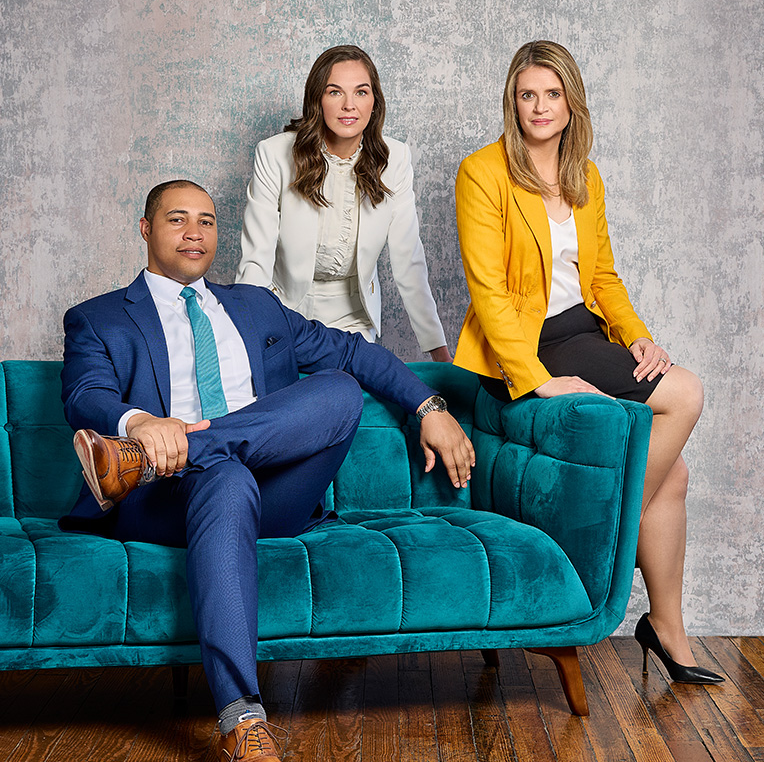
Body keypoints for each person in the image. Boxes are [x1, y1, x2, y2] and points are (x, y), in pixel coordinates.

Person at [61, 179, 475, 762]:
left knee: (337, 390)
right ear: (146, 230)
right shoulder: (100, 318)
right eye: (177, 219)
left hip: (268, 491)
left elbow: (353, 354)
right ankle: (242, 717)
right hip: (165, 501)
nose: (194, 232)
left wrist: (429, 406)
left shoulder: (257, 307)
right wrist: (137, 424)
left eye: (205, 221)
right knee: (224, 480)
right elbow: (85, 394)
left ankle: (147, 461)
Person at [453, 40, 723, 685]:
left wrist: (639, 338)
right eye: (527, 95)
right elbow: (487, 292)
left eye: (552, 95)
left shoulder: (585, 176)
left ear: (571, 104)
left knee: (675, 472)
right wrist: (537, 378)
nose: (539, 107)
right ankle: (599, 539)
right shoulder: (482, 172)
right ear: (512, 103)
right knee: (685, 395)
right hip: (530, 344)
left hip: (584, 335)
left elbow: (602, 278)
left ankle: (667, 630)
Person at [236, 44, 452, 361]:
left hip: (355, 318)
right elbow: (256, 259)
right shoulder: (274, 154)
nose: (349, 105)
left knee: (349, 395)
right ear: (317, 100)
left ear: (374, 102)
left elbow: (409, 263)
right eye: (335, 92)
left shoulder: (395, 159)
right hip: (284, 312)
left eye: (361, 92)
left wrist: (439, 351)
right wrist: (248, 339)